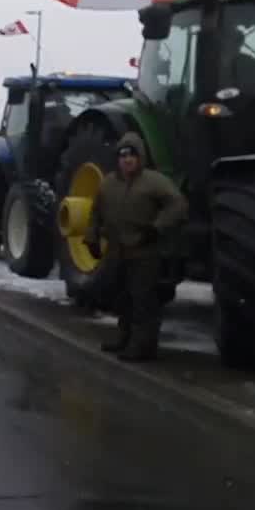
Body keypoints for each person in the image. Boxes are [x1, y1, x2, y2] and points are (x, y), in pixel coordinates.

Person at [84, 132, 188, 361]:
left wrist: (157, 228)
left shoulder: (154, 181)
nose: (127, 159)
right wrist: (91, 238)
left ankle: (143, 346)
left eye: (132, 155)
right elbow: (95, 212)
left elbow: (178, 205)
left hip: (144, 250)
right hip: (116, 250)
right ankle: (124, 337)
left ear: (140, 157)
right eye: (122, 155)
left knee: (143, 300)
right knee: (123, 298)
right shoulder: (109, 183)